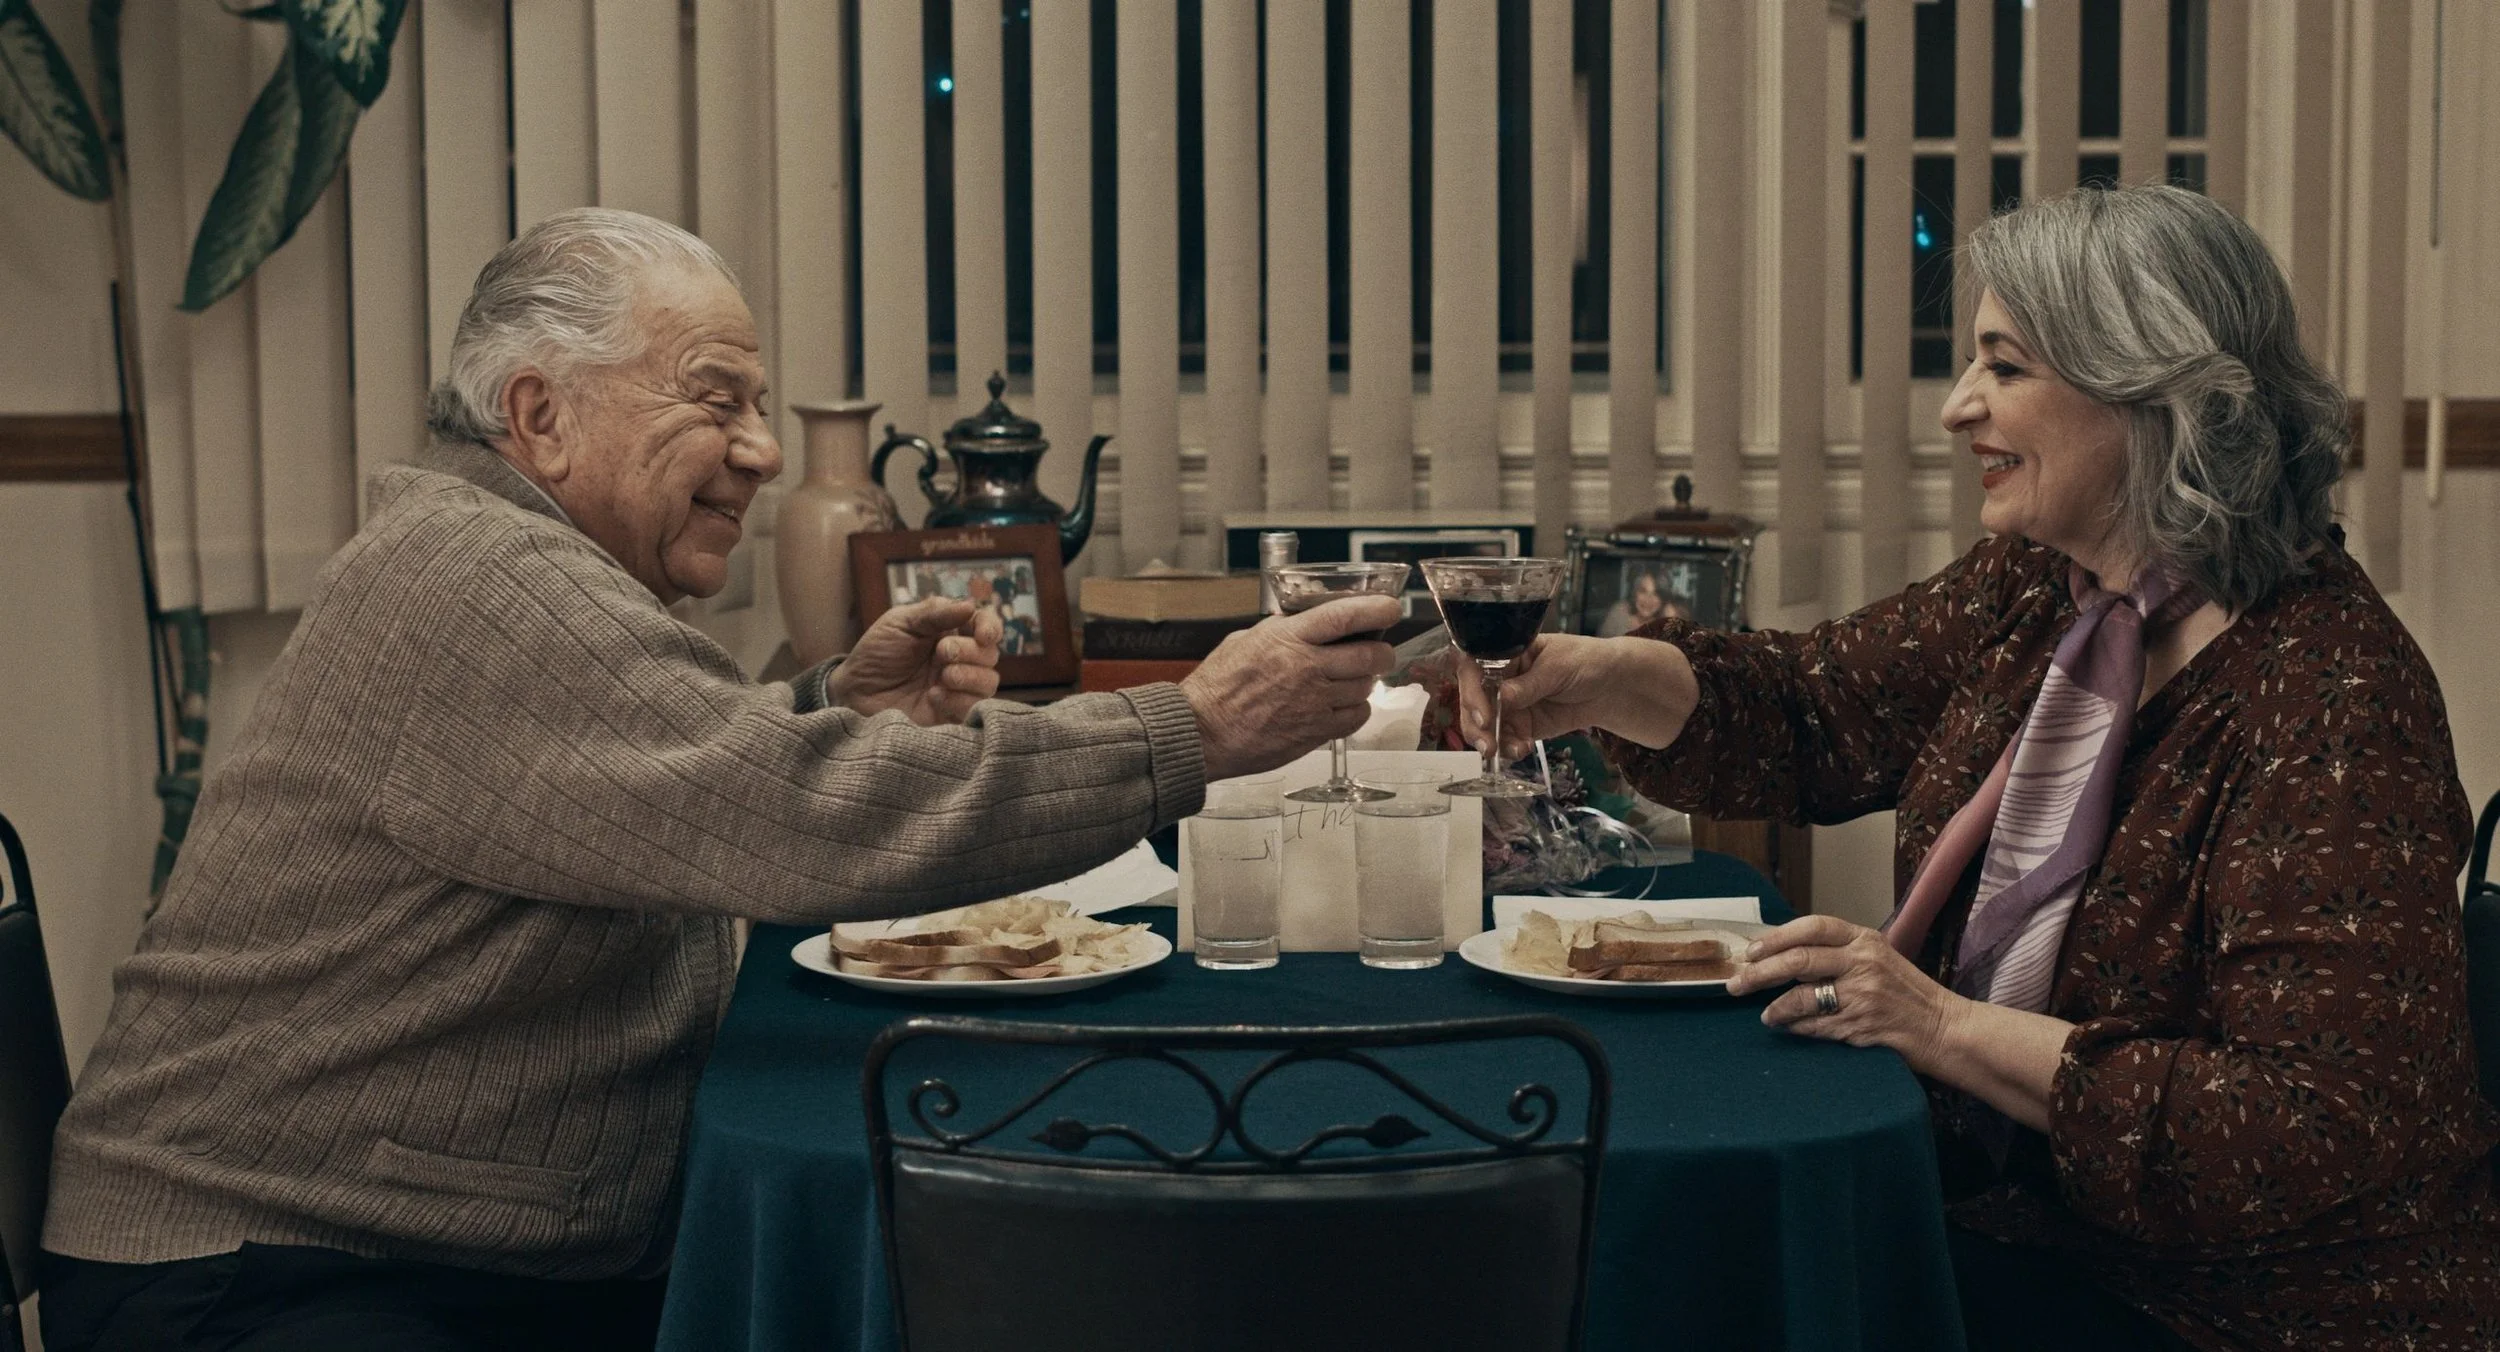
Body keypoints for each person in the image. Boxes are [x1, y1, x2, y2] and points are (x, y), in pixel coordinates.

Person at [37, 208, 1400, 1352]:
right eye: (714, 401)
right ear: (539, 413)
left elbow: (652, 791)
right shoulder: (479, 579)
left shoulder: (513, 562)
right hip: (263, 1274)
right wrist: (1194, 731)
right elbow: (792, 814)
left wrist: (824, 707)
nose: (757, 449)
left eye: (758, 405)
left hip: (420, 1237)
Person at [1467, 186, 2500, 1350]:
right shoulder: (2038, 588)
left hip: (2242, 1306)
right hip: (2026, 1227)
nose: (1959, 406)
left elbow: (2302, 1120)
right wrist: (1599, 675)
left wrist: (1939, 1024)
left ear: (2149, 392)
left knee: (1703, 1281)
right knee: (1666, 1251)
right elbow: (1812, 710)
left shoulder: (2330, 696)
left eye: (2004, 367)